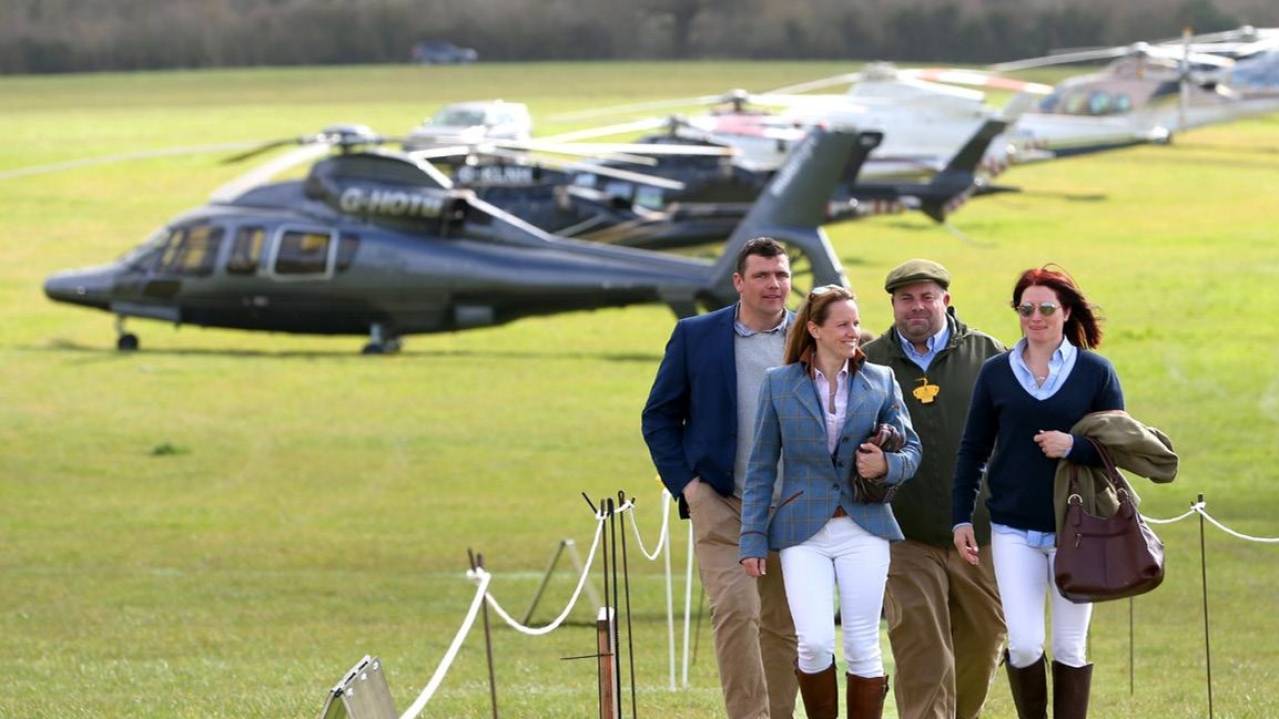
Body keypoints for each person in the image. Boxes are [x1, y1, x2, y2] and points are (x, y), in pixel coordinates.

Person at [739, 284, 921, 719]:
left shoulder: (881, 380)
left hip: (865, 527)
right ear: (815, 329)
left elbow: (912, 450)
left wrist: (885, 466)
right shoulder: (779, 385)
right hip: (803, 531)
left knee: (862, 644)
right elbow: (762, 465)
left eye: (856, 323)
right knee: (815, 642)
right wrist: (751, 539)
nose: (853, 332)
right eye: (843, 324)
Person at [952, 266, 1124, 719]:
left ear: (1066, 312)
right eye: (1026, 308)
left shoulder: (1095, 372)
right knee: (1025, 645)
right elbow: (972, 449)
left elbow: (1118, 446)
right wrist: (961, 516)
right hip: (1012, 529)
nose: (1036, 317)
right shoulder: (995, 374)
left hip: (1079, 530)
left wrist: (1074, 446)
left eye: (1046, 308)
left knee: (1069, 646)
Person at [641, 237, 799, 718]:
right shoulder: (696, 335)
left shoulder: (810, 335)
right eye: (762, 275)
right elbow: (659, 417)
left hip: (798, 506)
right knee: (736, 613)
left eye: (782, 275)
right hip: (724, 503)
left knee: (785, 625)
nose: (774, 285)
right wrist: (689, 487)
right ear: (738, 282)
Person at [862, 259, 1007, 719]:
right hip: (904, 533)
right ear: (893, 305)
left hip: (981, 531)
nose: (917, 307)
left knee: (985, 640)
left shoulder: (989, 354)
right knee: (922, 650)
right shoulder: (871, 361)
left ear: (946, 299)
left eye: (927, 296)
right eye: (906, 299)